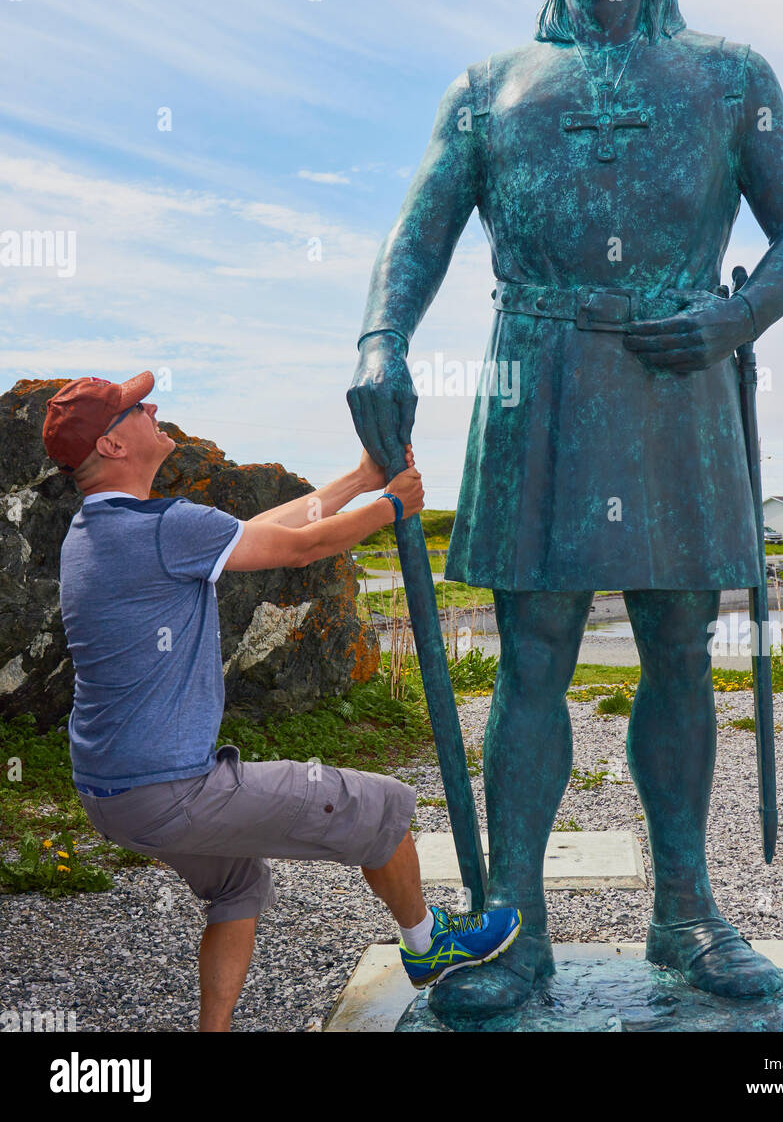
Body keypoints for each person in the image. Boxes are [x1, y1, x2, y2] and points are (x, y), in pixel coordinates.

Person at [348, 0, 783, 1021]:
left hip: (677, 377)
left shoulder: (729, 75)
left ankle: (687, 910)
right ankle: (514, 922)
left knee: (677, 647)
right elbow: (417, 235)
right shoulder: (488, 87)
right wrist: (379, 340)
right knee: (533, 659)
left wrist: (732, 324)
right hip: (537, 378)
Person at [42, 371, 520, 1031]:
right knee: (380, 807)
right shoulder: (159, 530)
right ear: (114, 445)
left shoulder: (98, 532)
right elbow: (305, 547)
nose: (151, 406)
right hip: (170, 788)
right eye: (132, 407)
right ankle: (426, 942)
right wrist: (393, 506)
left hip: (108, 792)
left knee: (236, 887)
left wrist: (360, 480)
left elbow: (263, 531)